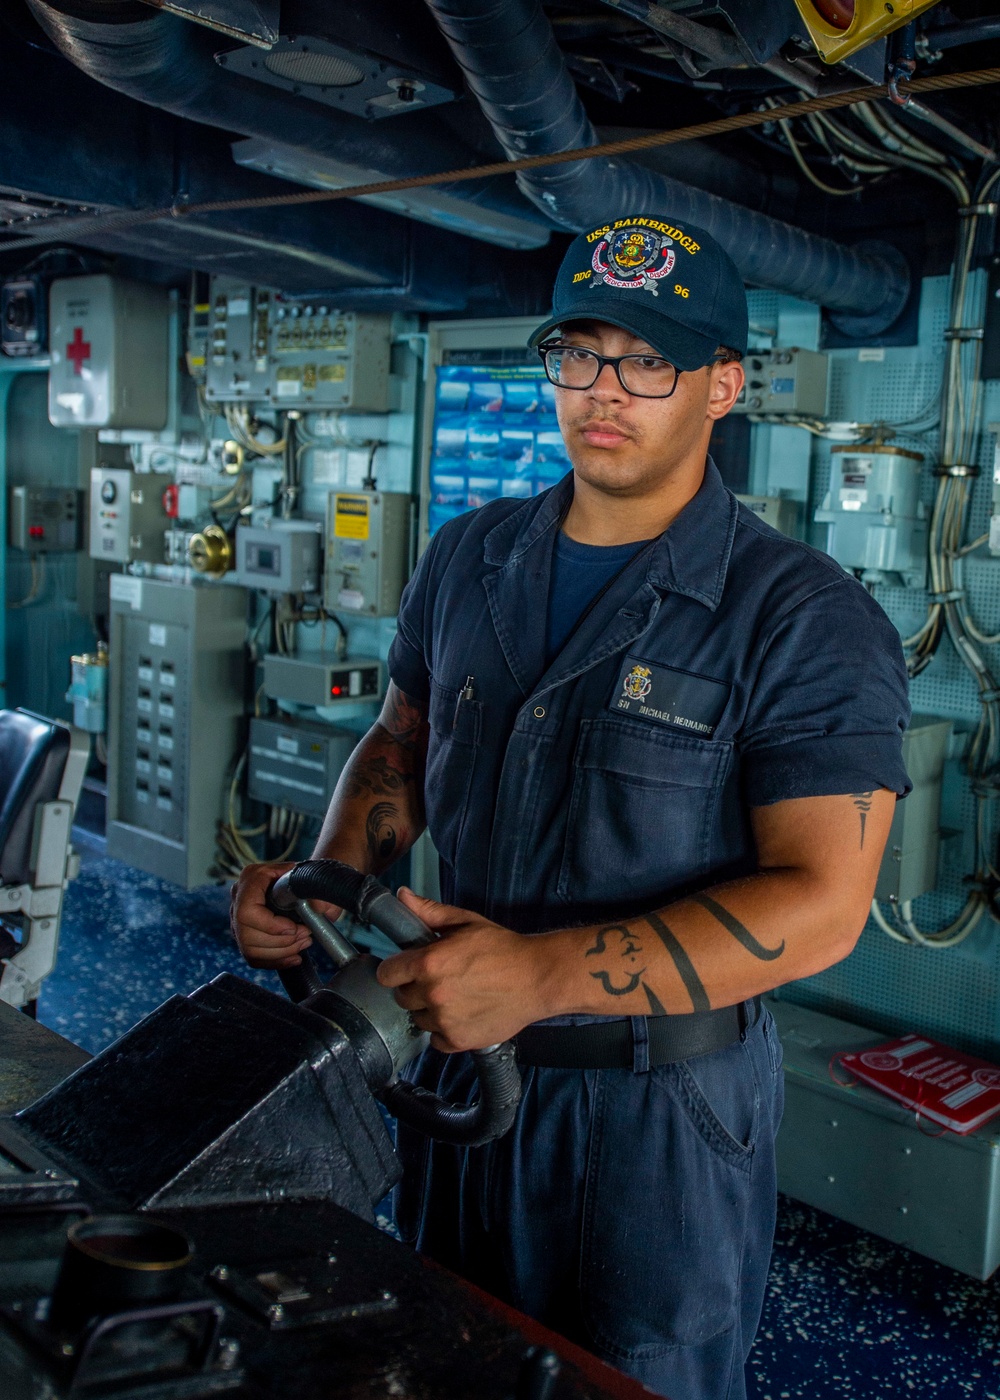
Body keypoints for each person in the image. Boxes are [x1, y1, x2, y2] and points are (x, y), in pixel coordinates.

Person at [232, 212, 910, 1400]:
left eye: (648, 361)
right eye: (580, 354)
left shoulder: (800, 615)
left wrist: (542, 976)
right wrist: (322, 885)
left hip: (656, 1118)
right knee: (446, 1349)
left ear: (723, 385)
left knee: (625, 1378)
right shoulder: (466, 557)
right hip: (454, 1070)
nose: (605, 391)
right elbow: (399, 739)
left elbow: (821, 905)